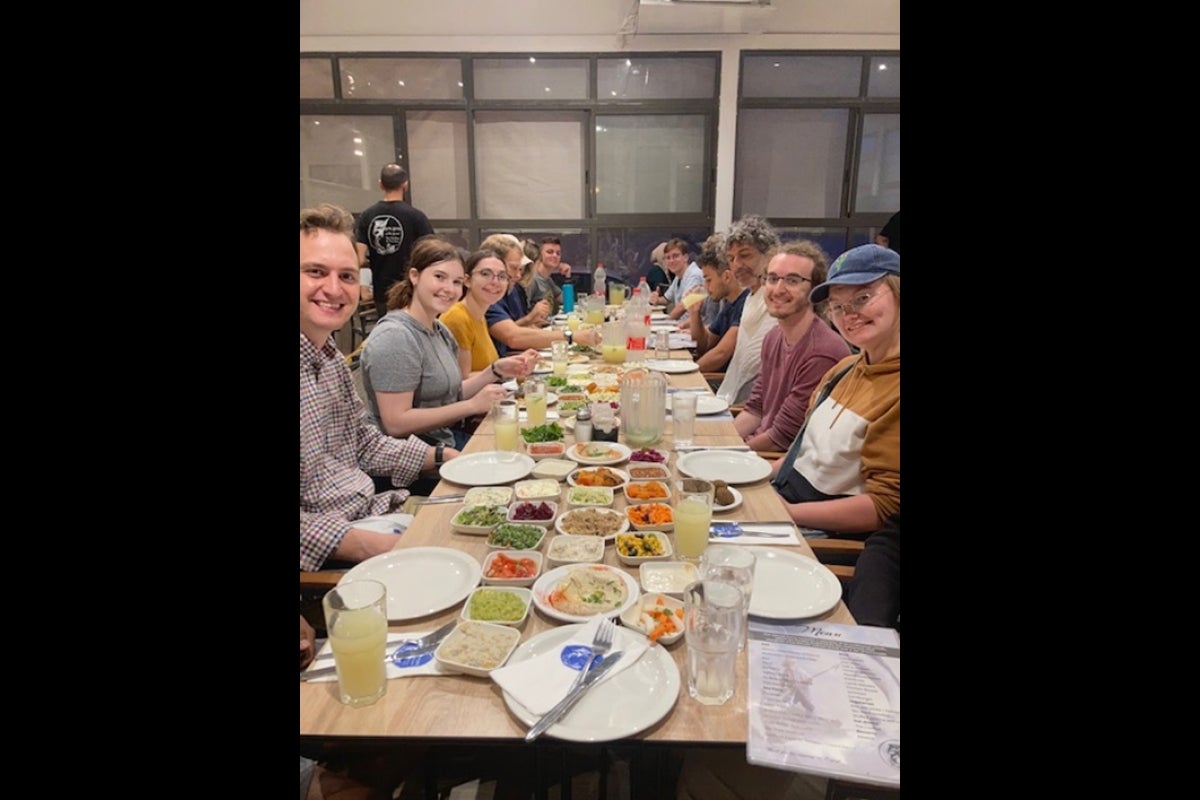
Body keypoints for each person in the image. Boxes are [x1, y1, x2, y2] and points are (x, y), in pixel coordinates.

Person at [299, 204, 446, 572]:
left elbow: (362, 442)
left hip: (375, 512)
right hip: (335, 559)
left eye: (347, 276)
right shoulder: (394, 335)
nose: (333, 289)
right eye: (315, 272)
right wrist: (378, 547)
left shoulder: (329, 358)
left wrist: (443, 458)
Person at [768, 243, 900, 535]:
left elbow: (885, 506)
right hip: (785, 501)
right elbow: (802, 454)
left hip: (821, 535)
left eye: (862, 297)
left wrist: (786, 512)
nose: (848, 314)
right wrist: (755, 476)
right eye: (838, 306)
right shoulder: (844, 369)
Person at [361, 236, 536, 452]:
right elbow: (396, 423)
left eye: (455, 281)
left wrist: (495, 371)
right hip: (417, 459)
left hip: (446, 441)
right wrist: (471, 406)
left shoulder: (439, 330)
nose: (449, 288)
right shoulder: (395, 336)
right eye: (439, 277)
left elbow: (448, 394)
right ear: (414, 276)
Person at [733, 241, 850, 453]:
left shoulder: (822, 353)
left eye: (793, 280)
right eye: (772, 278)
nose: (778, 289)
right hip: (756, 449)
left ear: (815, 291)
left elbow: (781, 439)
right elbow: (755, 409)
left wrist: (729, 455)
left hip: (776, 461)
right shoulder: (773, 336)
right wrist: (721, 445)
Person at [485, 233, 601, 354]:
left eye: (521, 269)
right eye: (515, 268)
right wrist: (571, 336)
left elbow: (525, 327)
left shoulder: (516, 289)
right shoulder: (490, 298)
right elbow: (513, 336)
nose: (519, 275)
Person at [715, 215, 781, 406]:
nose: (736, 264)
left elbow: (760, 369)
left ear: (769, 254)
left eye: (745, 255)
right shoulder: (750, 296)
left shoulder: (775, 299)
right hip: (729, 399)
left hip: (745, 408)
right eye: (731, 258)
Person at [354, 164, 436, 319]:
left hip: (381, 292)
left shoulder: (366, 216)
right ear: (405, 184)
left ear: (380, 184)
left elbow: (359, 258)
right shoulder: (416, 217)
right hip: (412, 291)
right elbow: (433, 254)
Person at [439, 248, 512, 374]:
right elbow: (461, 381)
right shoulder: (457, 317)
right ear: (467, 280)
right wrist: (504, 372)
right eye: (485, 274)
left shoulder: (479, 316)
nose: (495, 282)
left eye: (501, 276)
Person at [686, 246, 748, 373]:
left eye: (708, 280)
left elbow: (721, 354)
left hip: (725, 384)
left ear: (726, 277)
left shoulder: (745, 303)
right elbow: (704, 345)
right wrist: (694, 313)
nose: (705, 286)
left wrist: (688, 372)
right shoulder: (728, 304)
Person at [652, 238, 704, 323]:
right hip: (681, 325)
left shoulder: (694, 275)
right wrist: (657, 299)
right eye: (668, 258)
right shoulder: (679, 276)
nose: (671, 261)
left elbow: (683, 306)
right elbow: (666, 299)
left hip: (692, 327)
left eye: (675, 256)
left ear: (686, 257)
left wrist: (666, 323)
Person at [527, 236, 565, 315]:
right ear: (540, 255)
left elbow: (565, 300)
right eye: (550, 252)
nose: (555, 256)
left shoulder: (548, 279)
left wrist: (567, 277)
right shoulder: (532, 279)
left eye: (558, 253)